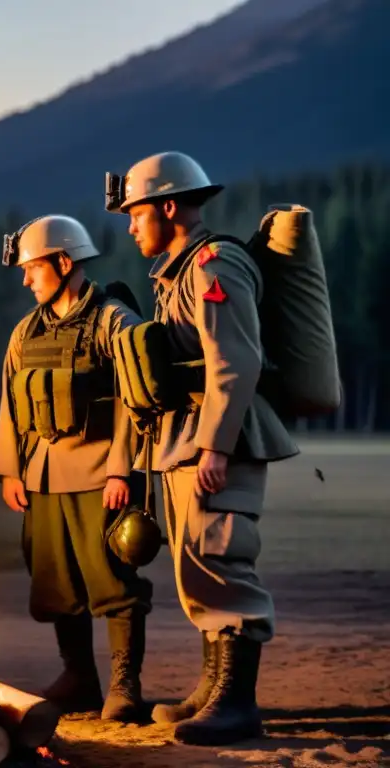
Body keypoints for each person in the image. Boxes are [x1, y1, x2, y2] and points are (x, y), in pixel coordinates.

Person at [106, 151, 299, 745]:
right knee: (196, 563)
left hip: (222, 436)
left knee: (221, 557)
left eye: (137, 213)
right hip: (186, 436)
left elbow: (233, 359)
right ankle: (213, 688)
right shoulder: (180, 269)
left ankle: (236, 704)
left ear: (169, 206)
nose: (132, 225)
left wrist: (215, 446)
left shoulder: (215, 264)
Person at [0, 215, 153, 723]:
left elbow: (134, 401)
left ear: (64, 263)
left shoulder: (113, 320)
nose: (26, 278)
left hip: (102, 471)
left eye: (33, 267)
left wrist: (122, 472)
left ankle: (124, 684)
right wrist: (12, 471)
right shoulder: (25, 332)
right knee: (56, 581)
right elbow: (10, 404)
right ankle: (79, 677)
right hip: (42, 475)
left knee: (113, 580)